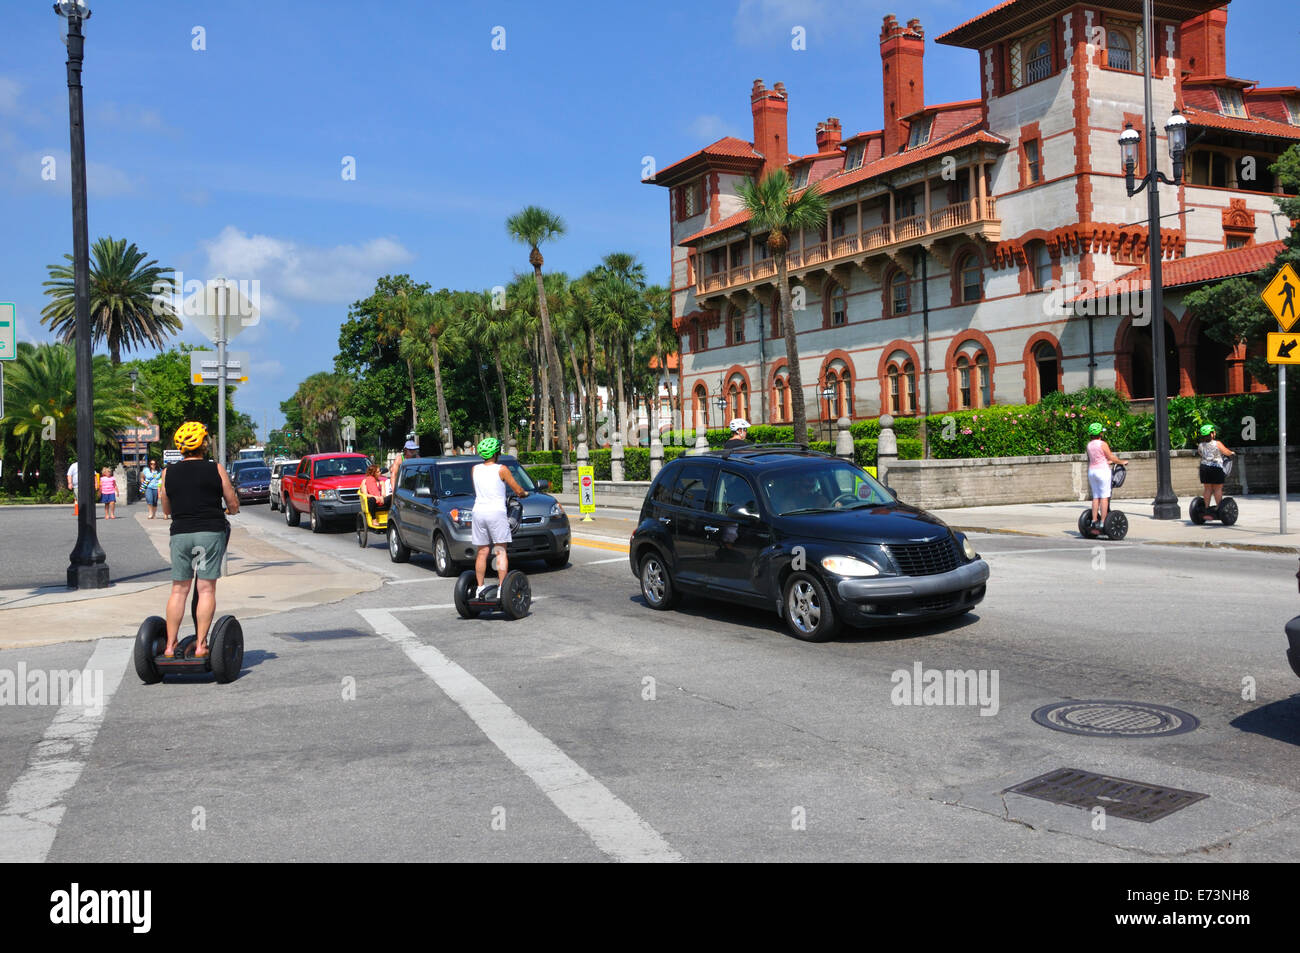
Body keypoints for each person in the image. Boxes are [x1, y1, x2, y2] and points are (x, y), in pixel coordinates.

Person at [159, 422, 239, 659]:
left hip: (180, 533)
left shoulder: (167, 472)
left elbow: (166, 508)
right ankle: (202, 645)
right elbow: (232, 502)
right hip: (209, 532)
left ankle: (170, 646)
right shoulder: (216, 469)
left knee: (178, 590)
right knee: (205, 589)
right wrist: (231, 510)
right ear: (204, 444)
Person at [471, 437, 528, 599]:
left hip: (478, 512)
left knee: (482, 552)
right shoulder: (502, 469)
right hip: (496, 512)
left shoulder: (475, 469)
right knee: (500, 550)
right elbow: (517, 490)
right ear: (496, 453)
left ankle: (480, 588)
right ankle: (502, 588)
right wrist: (524, 493)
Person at [1085, 422, 1128, 531]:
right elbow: (1111, 457)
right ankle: (1103, 522)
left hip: (1092, 472)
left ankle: (1094, 521)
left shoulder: (1089, 445)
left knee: (1096, 497)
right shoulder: (1102, 444)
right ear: (1100, 433)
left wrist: (1107, 461)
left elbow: (1096, 458)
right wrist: (1122, 462)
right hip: (1102, 472)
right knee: (1104, 497)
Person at [1196, 423, 1235, 516]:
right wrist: (1232, 453)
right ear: (1212, 434)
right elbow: (1226, 452)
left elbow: (1200, 454)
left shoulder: (1201, 445)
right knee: (1217, 489)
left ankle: (1206, 509)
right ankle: (1219, 509)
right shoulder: (1217, 443)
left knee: (1207, 489)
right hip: (1216, 468)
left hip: (1204, 468)